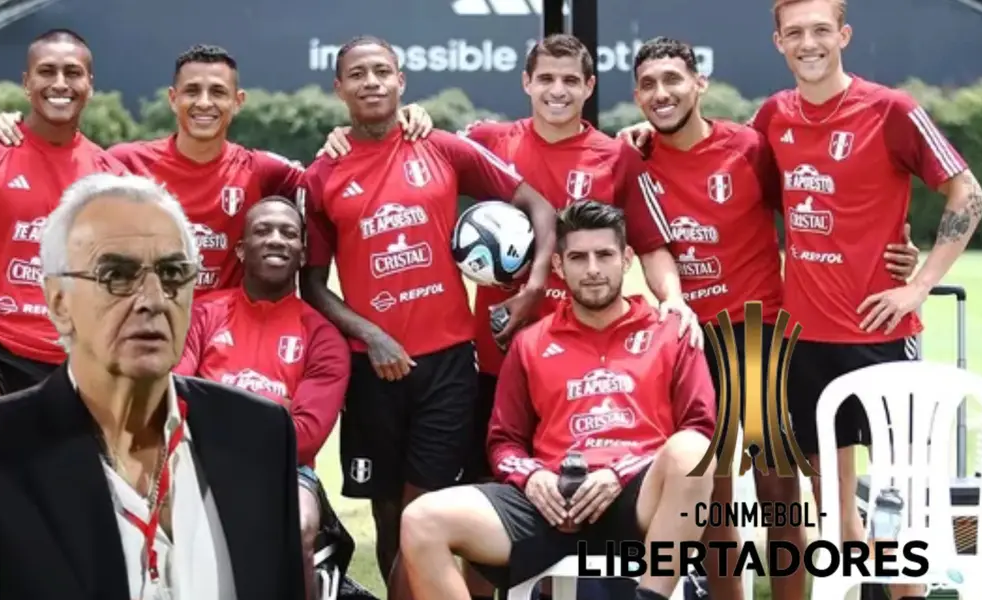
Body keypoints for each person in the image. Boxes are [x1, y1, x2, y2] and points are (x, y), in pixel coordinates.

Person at [319, 34, 700, 600]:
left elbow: (647, 243)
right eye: (545, 78)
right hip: (496, 359)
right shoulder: (487, 139)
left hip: (587, 358)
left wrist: (672, 298)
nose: (557, 90)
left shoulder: (615, 156)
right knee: (482, 497)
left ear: (590, 87)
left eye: (570, 80)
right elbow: (404, 138)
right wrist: (405, 116)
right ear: (526, 83)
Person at [0, 173, 305, 600]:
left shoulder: (259, 435)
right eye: (117, 275)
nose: (153, 299)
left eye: (172, 273)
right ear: (59, 302)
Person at [626, 36, 923, 600]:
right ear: (637, 97)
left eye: (673, 80)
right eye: (648, 85)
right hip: (690, 343)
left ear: (699, 84)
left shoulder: (748, 147)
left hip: (759, 339)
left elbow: (822, 207)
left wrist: (899, 252)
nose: (661, 93)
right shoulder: (634, 159)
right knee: (711, 504)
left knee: (779, 495)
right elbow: (650, 244)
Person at [297, 35, 560, 594]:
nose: (371, 82)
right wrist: (372, 336)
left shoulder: (442, 147)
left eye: (381, 71)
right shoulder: (322, 175)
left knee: (427, 509)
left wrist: (532, 288)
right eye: (357, 74)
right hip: (372, 369)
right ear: (339, 88)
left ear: (401, 80)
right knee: (389, 513)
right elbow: (313, 285)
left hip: (447, 365)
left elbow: (538, 206)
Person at [756, 1, 982, 596]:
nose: (809, 43)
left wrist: (919, 283)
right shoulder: (773, 116)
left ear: (845, 35)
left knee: (898, 514)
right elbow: (740, 183)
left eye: (821, 30)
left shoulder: (892, 110)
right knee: (834, 515)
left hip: (881, 340)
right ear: (779, 42)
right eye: (795, 33)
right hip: (805, 343)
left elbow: (969, 195)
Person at [395, 200, 716, 600]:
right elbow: (503, 442)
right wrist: (533, 477)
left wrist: (619, 474)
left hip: (636, 502)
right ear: (560, 267)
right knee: (421, 520)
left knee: (692, 451)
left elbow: (701, 430)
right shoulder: (530, 342)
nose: (593, 269)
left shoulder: (672, 332)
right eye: (578, 258)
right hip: (552, 505)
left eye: (604, 255)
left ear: (627, 259)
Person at [0, 44, 434, 297]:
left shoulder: (264, 171)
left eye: (218, 92)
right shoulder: (124, 163)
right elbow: (62, 156)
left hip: (221, 342)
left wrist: (394, 122)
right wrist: (14, 125)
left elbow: (336, 175)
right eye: (192, 91)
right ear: (172, 98)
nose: (204, 103)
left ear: (237, 102)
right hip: (147, 329)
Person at [0, 29, 125, 427]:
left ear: (90, 84)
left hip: (76, 359)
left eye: (73, 73)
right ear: (26, 82)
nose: (60, 83)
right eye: (47, 71)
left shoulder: (111, 176)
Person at [174, 195, 350, 596]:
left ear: (302, 253)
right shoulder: (201, 314)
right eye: (263, 230)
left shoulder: (323, 337)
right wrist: (274, 412)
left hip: (285, 470)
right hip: (198, 461)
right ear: (241, 249)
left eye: (289, 233)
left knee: (298, 525)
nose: (276, 239)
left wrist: (214, 404)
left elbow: (304, 437)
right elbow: (173, 402)